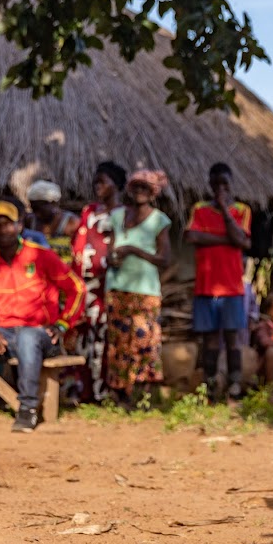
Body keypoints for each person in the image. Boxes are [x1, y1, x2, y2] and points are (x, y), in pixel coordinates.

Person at [0, 201, 86, 432]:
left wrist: (62, 325)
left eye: (7, 224)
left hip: (42, 335)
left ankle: (28, 408)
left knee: (28, 337)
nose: (3, 230)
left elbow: (77, 289)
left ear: (20, 225)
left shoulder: (41, 256)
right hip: (4, 335)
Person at [185, 162, 252, 402]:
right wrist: (229, 239)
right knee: (210, 338)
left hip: (231, 287)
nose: (220, 189)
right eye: (216, 184)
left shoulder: (242, 210)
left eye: (225, 184)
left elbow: (242, 241)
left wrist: (224, 211)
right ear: (210, 185)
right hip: (206, 286)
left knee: (232, 337)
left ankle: (234, 386)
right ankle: (211, 387)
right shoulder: (199, 209)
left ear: (231, 184)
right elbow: (192, 236)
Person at [105, 170, 172, 404]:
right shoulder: (117, 216)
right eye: (137, 187)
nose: (140, 192)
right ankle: (120, 391)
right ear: (130, 190)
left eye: (145, 188)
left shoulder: (158, 220)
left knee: (144, 340)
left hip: (146, 291)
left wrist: (133, 250)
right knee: (119, 342)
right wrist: (113, 258)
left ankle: (142, 391)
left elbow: (165, 259)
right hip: (117, 289)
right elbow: (109, 252)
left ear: (153, 192)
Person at [70, 161, 127, 403]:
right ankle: (85, 390)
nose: (97, 186)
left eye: (103, 181)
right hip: (85, 288)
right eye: (95, 181)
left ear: (117, 186)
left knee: (106, 338)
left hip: (109, 287)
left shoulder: (124, 215)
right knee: (86, 338)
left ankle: (103, 391)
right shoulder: (89, 212)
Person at [26, 180, 78, 264]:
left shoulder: (71, 222)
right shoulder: (30, 221)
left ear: (53, 203)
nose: (36, 214)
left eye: (39, 208)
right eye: (33, 209)